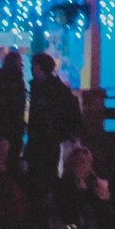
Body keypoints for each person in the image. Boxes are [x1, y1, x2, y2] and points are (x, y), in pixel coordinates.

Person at [25, 52, 83, 210]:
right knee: (45, 174)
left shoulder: (49, 89)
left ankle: (41, 207)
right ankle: (43, 207)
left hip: (45, 139)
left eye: (34, 66)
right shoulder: (51, 88)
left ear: (40, 68)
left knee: (42, 175)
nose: (32, 69)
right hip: (46, 139)